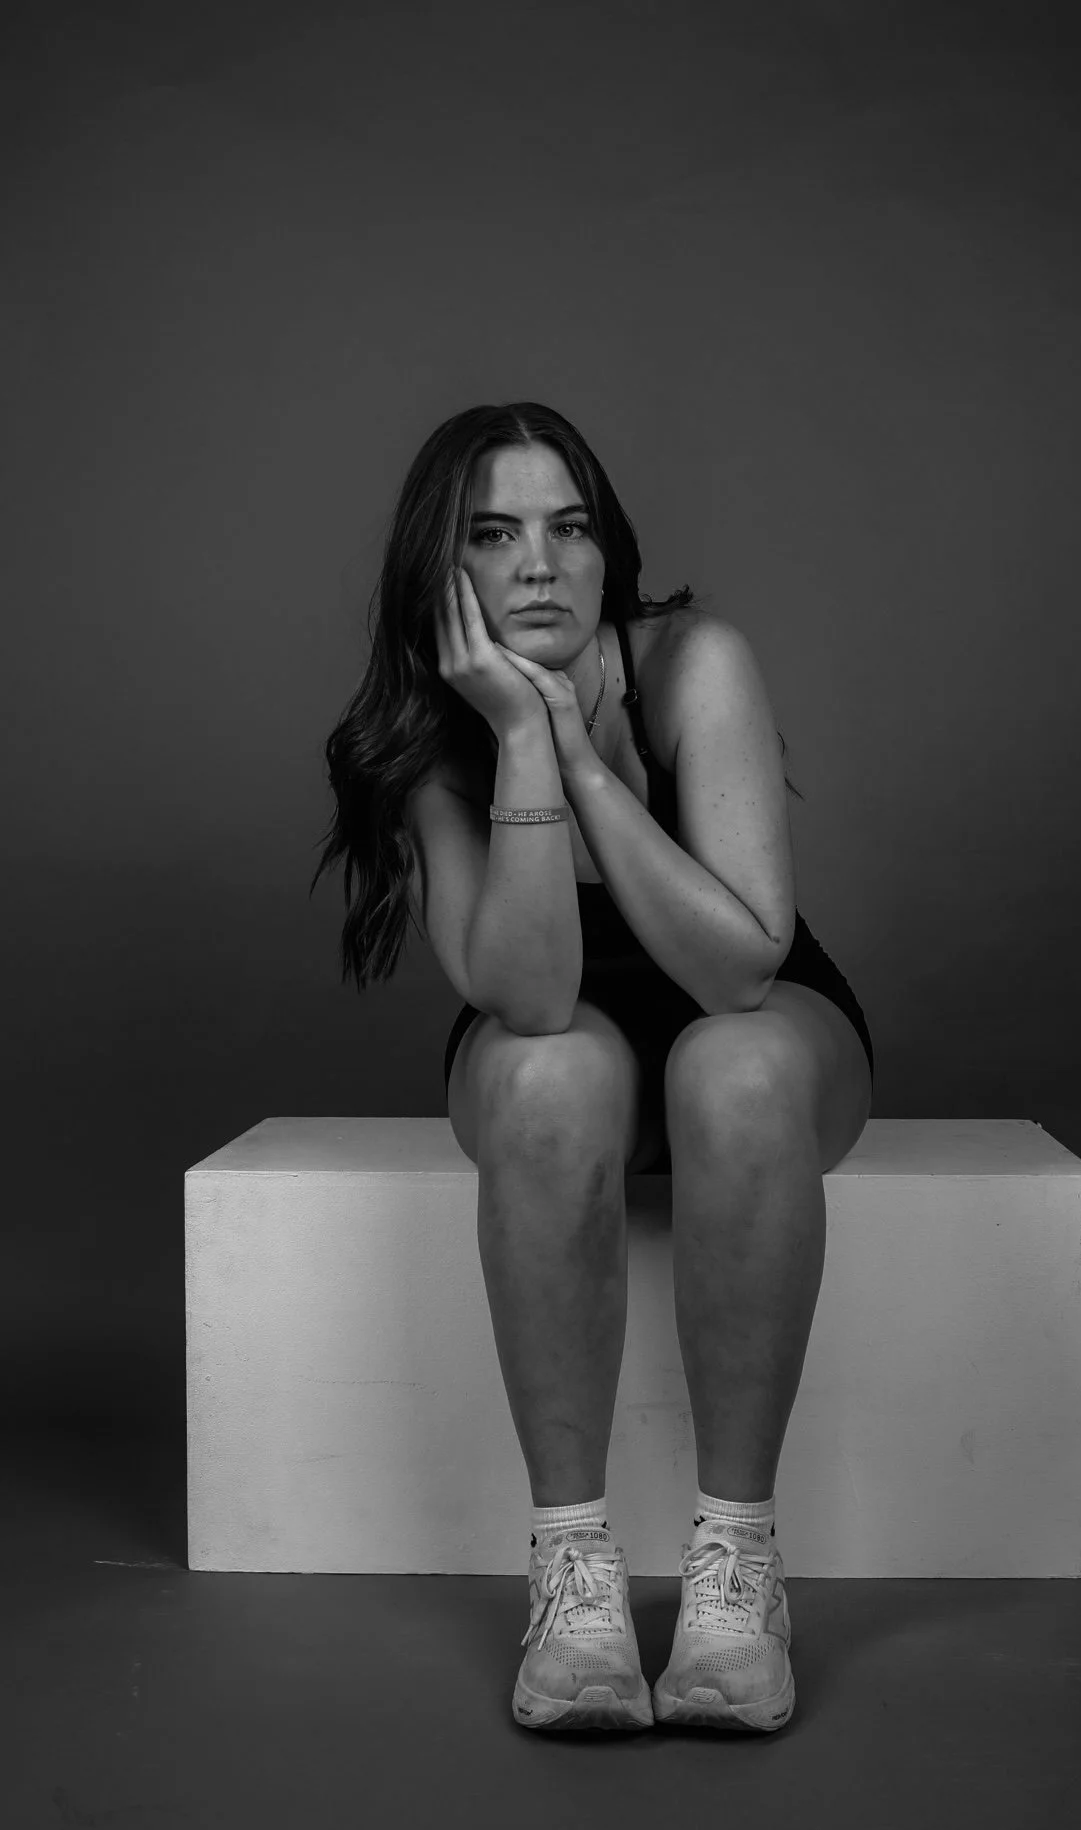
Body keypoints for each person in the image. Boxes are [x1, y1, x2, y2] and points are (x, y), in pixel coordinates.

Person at [312, 401, 874, 1734]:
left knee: (732, 1068)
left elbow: (742, 965)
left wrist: (581, 755)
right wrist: (513, 739)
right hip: (560, 1013)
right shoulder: (431, 731)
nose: (542, 563)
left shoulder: (696, 663)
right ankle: (574, 1574)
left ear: (609, 547)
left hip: (756, 1004)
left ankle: (737, 1575)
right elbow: (530, 991)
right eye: (496, 536)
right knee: (546, 1072)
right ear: (442, 571)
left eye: (568, 528)